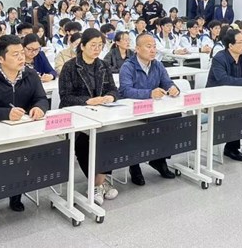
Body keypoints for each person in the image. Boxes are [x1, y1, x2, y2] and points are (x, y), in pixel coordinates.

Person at [0, 35, 49, 219]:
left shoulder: (31, 74)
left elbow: (41, 98)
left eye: (22, 53)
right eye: (15, 54)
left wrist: (40, 108)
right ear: (0, 58)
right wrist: (6, 113)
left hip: (22, 131)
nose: (22, 57)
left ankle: (16, 195)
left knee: (21, 161)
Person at [59, 28, 120, 205]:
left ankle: (97, 183)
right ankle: (99, 184)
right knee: (83, 143)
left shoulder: (103, 65)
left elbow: (113, 89)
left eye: (100, 45)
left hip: (100, 115)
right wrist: (87, 101)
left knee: (111, 138)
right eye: (93, 45)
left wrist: (110, 97)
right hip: (75, 117)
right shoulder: (70, 67)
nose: (97, 49)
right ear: (82, 46)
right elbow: (65, 97)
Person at [119, 33, 179, 185]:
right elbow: (125, 91)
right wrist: (149, 93)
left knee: (173, 118)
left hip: (155, 109)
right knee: (136, 129)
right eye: (148, 46)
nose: (153, 50)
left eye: (154, 46)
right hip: (133, 111)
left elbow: (167, 82)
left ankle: (160, 159)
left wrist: (172, 88)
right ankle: (134, 165)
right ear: (137, 49)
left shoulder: (157, 65)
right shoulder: (128, 66)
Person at [206, 29, 242, 161]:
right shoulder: (219, 58)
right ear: (230, 45)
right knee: (237, 111)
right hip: (217, 98)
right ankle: (231, 148)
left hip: (239, 96)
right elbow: (223, 80)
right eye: (240, 42)